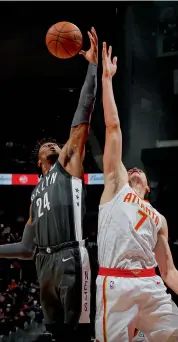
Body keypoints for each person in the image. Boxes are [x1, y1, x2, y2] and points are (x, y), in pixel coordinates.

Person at [0, 27, 98, 342]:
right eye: (46, 145)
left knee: (78, 333)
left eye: (54, 143)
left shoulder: (67, 165)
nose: (52, 144)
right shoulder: (35, 195)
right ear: (38, 161)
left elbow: (82, 115)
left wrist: (93, 67)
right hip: (43, 262)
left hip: (70, 255)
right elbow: (26, 248)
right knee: (55, 334)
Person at [95, 42, 178, 342]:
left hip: (152, 285)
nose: (133, 170)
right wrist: (106, 80)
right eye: (130, 169)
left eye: (137, 171)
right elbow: (113, 127)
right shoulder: (116, 186)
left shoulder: (159, 218)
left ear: (149, 189)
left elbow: (169, 272)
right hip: (116, 285)